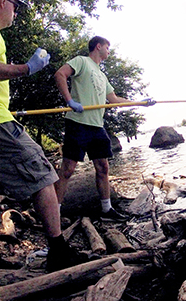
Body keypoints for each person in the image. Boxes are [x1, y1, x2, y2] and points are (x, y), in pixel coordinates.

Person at [0, 0, 83, 272]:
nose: (16, 14)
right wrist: (26, 68)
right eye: (16, 7)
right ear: (4, 1)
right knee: (44, 173)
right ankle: (58, 250)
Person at [54, 36, 155, 220]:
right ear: (98, 46)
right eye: (107, 47)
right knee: (67, 169)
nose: (109, 51)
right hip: (77, 123)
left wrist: (141, 103)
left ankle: (106, 210)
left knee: (103, 167)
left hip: (97, 126)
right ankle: (54, 212)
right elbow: (60, 74)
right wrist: (70, 100)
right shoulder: (81, 61)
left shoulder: (102, 75)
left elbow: (114, 100)